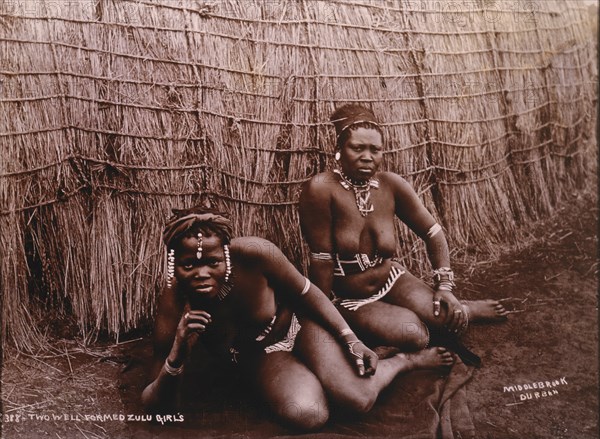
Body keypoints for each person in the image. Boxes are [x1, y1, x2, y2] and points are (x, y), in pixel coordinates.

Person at [141, 207, 454, 431]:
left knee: (357, 398)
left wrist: (352, 341)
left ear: (225, 253)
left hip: (300, 326)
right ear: (173, 264)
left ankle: (404, 362)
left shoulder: (256, 254)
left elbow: (311, 295)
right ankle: (325, 375)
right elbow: (155, 406)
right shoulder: (174, 301)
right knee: (308, 414)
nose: (201, 274)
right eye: (187, 266)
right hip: (260, 355)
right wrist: (178, 354)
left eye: (211, 262)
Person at [299, 104, 508, 363]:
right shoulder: (321, 189)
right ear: (339, 151)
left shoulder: (391, 185)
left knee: (448, 317)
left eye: (375, 150)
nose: (367, 157)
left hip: (392, 279)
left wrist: (444, 287)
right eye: (357, 148)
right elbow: (322, 261)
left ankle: (466, 308)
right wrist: (327, 316)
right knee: (414, 334)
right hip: (348, 296)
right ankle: (397, 331)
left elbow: (433, 233)